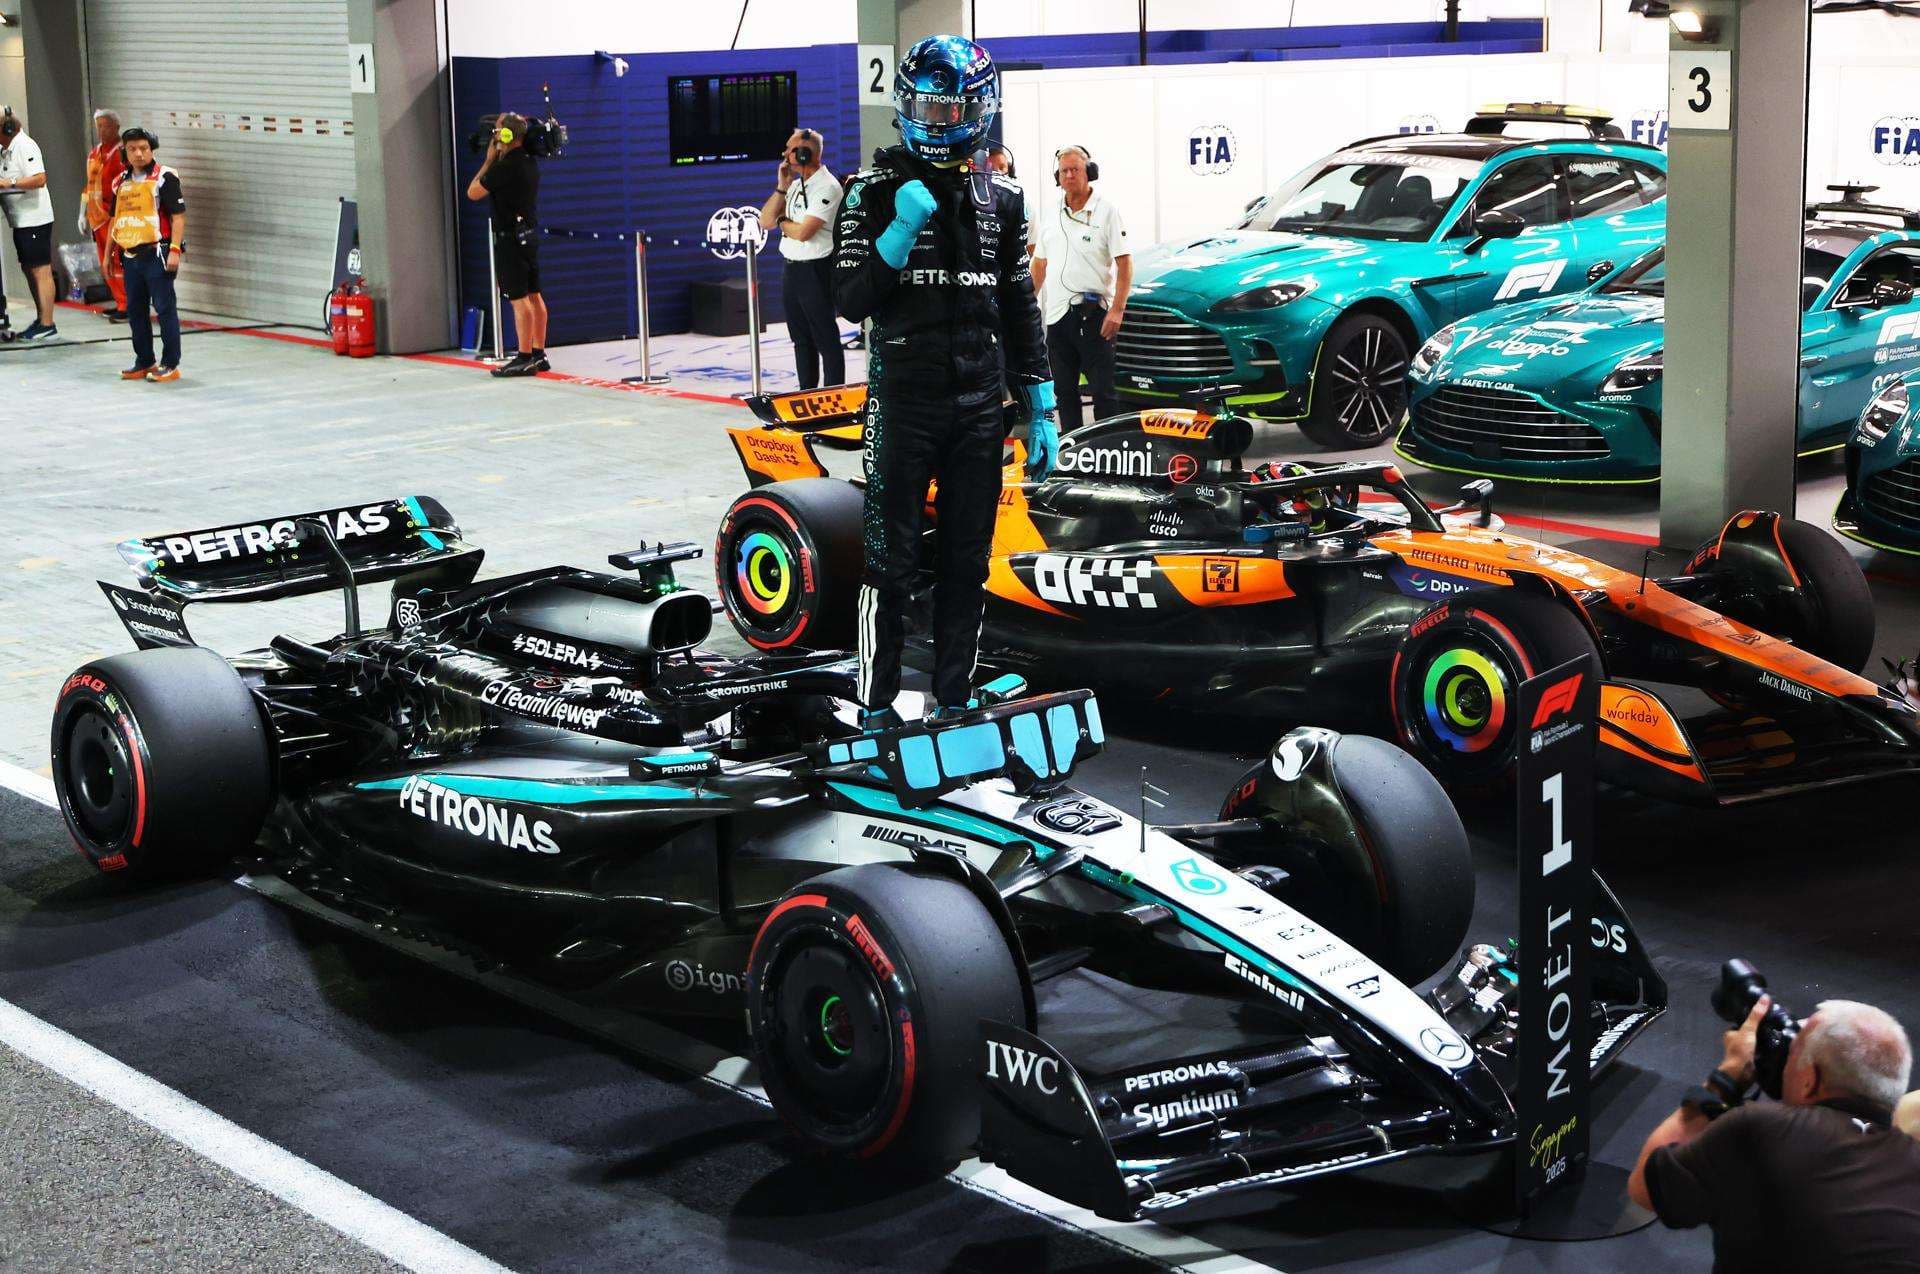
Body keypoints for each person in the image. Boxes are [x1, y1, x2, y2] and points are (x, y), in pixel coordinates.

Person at [833, 34, 1054, 724]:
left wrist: (1041, 401)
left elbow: (1018, 300)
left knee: (968, 561)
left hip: (981, 405)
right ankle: (874, 704)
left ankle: (954, 699)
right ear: (905, 104)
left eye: (948, 106)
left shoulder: (1005, 198)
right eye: (925, 105)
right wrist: (896, 235)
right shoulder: (871, 191)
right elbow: (848, 300)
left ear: (978, 109)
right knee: (889, 563)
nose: (934, 120)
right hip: (902, 402)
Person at [1628, 995, 1920, 1272]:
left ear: (1809, 1081)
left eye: (1792, 1055)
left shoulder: (1762, 1129)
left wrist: (1727, 1077)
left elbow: (1645, 1187)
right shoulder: (1912, 1160)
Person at [1031, 145, 1130, 431]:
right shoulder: (1051, 215)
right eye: (1064, 171)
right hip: (1058, 318)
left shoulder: (1106, 212)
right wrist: (1025, 307)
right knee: (1063, 391)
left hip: (1095, 315)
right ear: (1057, 176)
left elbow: (1125, 264)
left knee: (1103, 392)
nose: (1070, 175)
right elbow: (1039, 266)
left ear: (1090, 173)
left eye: (1075, 169)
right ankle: (1072, 448)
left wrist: (1117, 310)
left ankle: (1109, 450)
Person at [759, 128, 844, 390]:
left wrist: (784, 220)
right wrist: (781, 187)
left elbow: (804, 232)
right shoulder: (795, 186)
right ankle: (806, 394)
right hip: (792, 270)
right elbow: (765, 221)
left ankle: (834, 397)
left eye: (790, 149)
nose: (785, 154)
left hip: (816, 271)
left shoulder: (827, 186)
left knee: (825, 338)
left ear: (806, 153)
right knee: (800, 339)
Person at [466, 112, 547, 377]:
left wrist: (488, 161)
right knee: (534, 295)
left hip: (511, 240)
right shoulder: (528, 161)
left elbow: (473, 192)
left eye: (498, 132)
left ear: (508, 136)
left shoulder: (505, 167)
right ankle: (538, 353)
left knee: (518, 299)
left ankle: (523, 357)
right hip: (528, 235)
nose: (495, 136)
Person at [106, 127, 186, 382]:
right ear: (125, 152)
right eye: (132, 149)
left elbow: (178, 217)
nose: (138, 153)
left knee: (164, 308)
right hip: (130, 256)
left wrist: (174, 250)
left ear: (151, 150)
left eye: (143, 148)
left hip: (157, 254)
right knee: (136, 310)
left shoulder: (165, 177)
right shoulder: (120, 182)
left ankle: (170, 363)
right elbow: (114, 220)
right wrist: (107, 254)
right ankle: (144, 360)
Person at [0, 106, 59, 342]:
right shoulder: (6, 149)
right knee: (29, 268)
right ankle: (41, 317)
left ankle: (48, 323)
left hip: (34, 219)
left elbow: (39, 178)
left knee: (40, 269)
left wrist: (7, 183)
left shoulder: (25, 146)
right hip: (20, 219)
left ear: (6, 129)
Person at [79, 108, 128, 321]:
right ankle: (119, 301)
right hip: (97, 218)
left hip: (114, 217)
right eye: (98, 125)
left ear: (116, 127)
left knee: (118, 262)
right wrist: (82, 213)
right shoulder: (94, 154)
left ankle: (128, 305)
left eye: (105, 125)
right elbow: (88, 186)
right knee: (105, 263)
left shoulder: (122, 153)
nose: (100, 130)